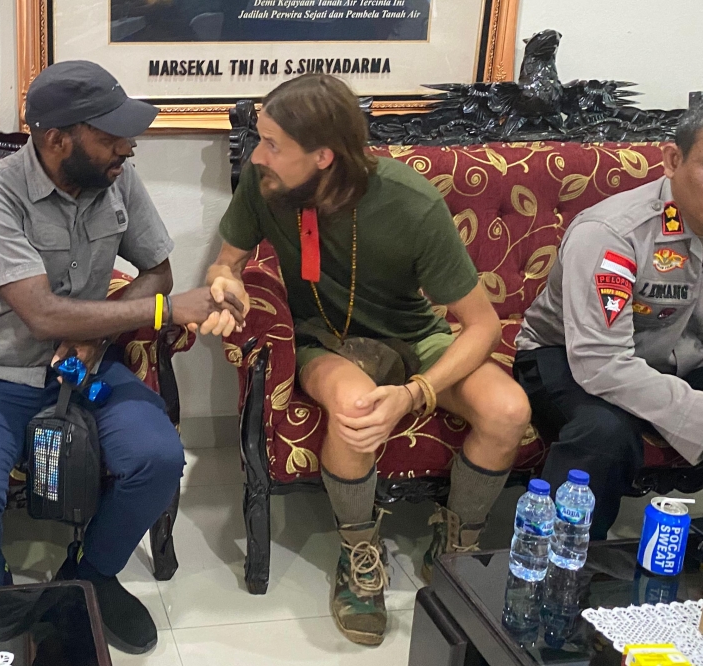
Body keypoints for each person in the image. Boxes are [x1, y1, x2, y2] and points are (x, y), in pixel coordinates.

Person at [0, 60, 244, 655]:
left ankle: (91, 574)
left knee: (158, 456)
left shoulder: (115, 177)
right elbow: (43, 315)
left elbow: (156, 269)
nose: (127, 146)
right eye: (109, 134)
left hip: (83, 371)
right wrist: (164, 311)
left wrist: (99, 336)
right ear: (55, 139)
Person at [202, 74, 531, 645]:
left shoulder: (412, 204)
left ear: (323, 156)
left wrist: (415, 392)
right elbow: (225, 262)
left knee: (507, 409)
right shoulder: (267, 184)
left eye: (273, 143)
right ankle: (359, 554)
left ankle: (457, 543)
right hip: (320, 338)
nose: (257, 154)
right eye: (260, 139)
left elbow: (482, 325)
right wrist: (224, 284)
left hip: (412, 337)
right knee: (355, 407)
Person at [514, 107, 703, 540]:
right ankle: (554, 571)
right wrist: (694, 413)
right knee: (604, 435)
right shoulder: (613, 234)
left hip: (678, 355)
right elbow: (601, 362)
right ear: (673, 160)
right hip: (567, 354)